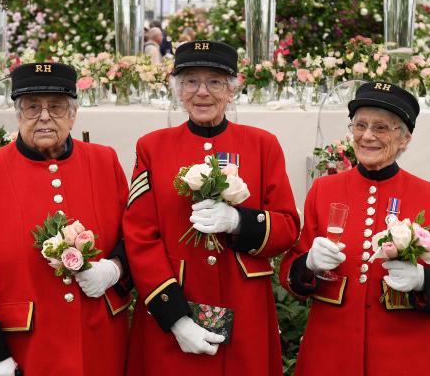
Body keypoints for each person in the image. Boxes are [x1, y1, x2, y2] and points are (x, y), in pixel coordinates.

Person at [123, 40, 300, 376]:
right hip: (177, 301)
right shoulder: (152, 148)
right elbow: (139, 235)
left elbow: (288, 227)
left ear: (232, 90)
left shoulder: (263, 145)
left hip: (244, 305)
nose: (202, 92)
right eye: (191, 81)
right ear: (178, 89)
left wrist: (238, 221)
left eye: (214, 82)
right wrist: (174, 318)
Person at [0, 62, 132, 376]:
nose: (45, 116)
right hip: (25, 344)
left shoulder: (104, 161)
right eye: (33, 107)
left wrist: (114, 269)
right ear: (18, 114)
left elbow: (135, 235)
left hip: (100, 339)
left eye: (57, 107)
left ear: (73, 114)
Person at [279, 82, 430, 375]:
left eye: (381, 128)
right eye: (360, 125)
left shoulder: (428, 196)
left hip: (403, 354)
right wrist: (308, 263)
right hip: (331, 350)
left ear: (405, 139)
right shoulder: (323, 189)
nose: (367, 136)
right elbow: (291, 270)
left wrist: (423, 278)